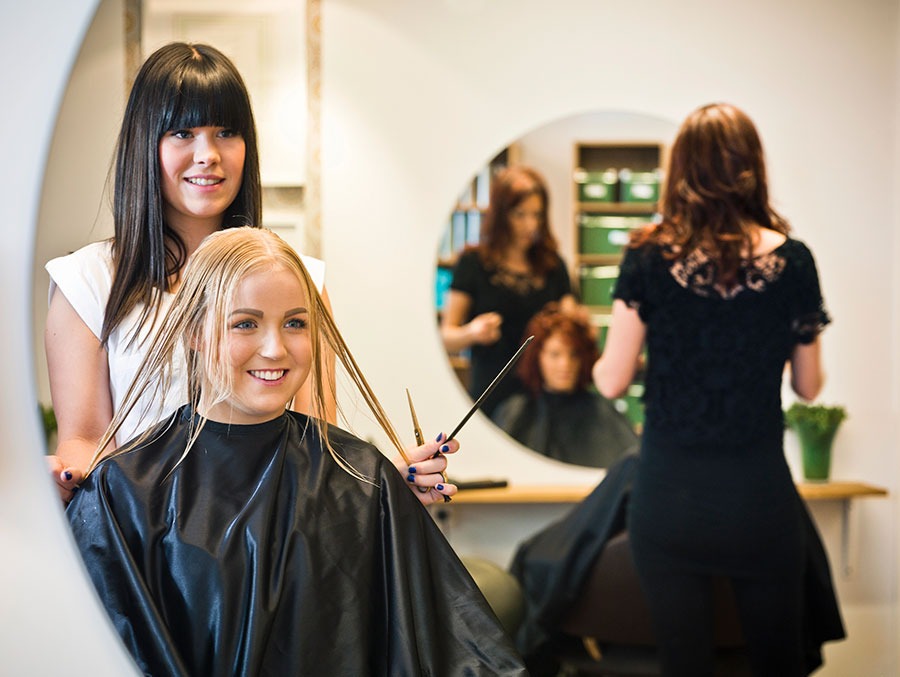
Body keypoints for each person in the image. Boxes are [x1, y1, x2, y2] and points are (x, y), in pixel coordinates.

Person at [66, 227, 526, 676]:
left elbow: (456, 652)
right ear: (193, 330)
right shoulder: (124, 491)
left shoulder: (363, 479)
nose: (275, 348)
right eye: (245, 323)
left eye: (295, 323)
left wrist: (384, 498)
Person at [45, 42, 452, 505]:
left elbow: (316, 444)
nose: (208, 155)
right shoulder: (88, 282)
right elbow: (85, 440)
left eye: (226, 132)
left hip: (274, 549)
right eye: (182, 133)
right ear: (146, 143)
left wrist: (384, 488)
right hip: (144, 548)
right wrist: (67, 476)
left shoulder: (301, 282)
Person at [592, 103, 837, 676]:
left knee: (685, 665)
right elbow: (807, 387)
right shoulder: (794, 262)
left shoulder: (647, 257)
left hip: (669, 498)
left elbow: (612, 378)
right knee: (775, 662)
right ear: (752, 166)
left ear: (682, 171)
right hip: (759, 500)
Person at [441, 166, 581, 415]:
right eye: (520, 215)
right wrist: (472, 333)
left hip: (544, 399)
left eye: (537, 215)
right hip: (492, 395)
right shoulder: (473, 263)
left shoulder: (552, 265)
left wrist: (573, 321)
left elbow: (570, 322)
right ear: (501, 215)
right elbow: (447, 337)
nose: (530, 225)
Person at [492, 305, 638, 467]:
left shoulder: (602, 412)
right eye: (555, 354)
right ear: (537, 358)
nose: (565, 364)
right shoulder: (516, 413)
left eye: (573, 355)